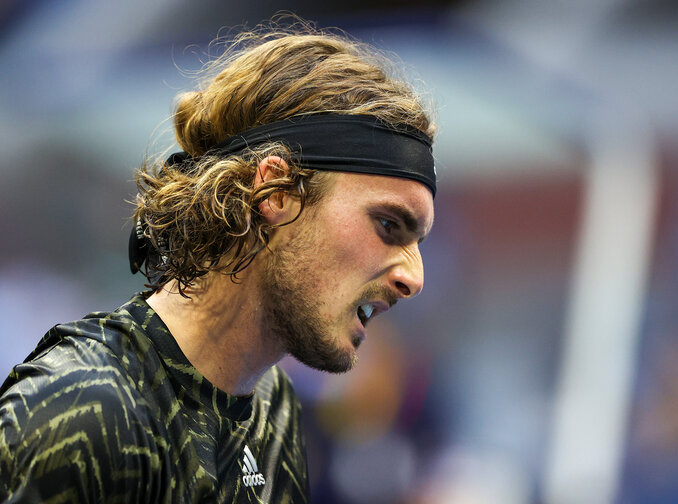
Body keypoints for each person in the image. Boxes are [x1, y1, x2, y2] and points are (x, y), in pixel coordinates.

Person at [0, 23, 436, 504]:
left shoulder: (275, 409)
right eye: (388, 225)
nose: (412, 277)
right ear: (278, 191)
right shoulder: (86, 410)